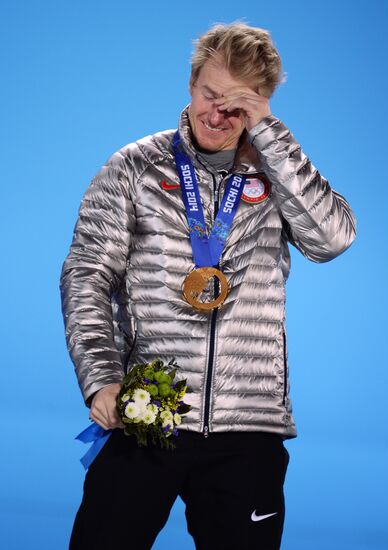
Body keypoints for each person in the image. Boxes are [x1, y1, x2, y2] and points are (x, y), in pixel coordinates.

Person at [60, 22, 356, 550]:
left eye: (237, 106)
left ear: (262, 106)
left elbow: (332, 239)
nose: (217, 116)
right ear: (191, 82)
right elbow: (87, 275)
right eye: (209, 95)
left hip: (249, 428)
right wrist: (102, 378)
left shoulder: (278, 173)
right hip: (148, 414)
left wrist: (270, 136)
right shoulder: (135, 166)